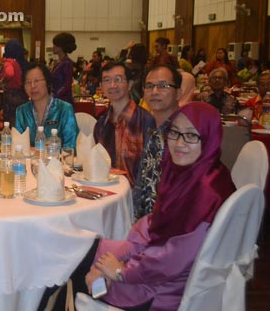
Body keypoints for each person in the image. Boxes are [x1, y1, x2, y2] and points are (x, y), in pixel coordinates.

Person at [38, 102, 236, 311]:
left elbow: (171, 260)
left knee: (67, 262)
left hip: (158, 290)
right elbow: (153, 226)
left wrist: (119, 271)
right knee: (74, 253)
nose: (179, 143)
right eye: (175, 133)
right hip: (149, 263)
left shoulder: (205, 193)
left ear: (209, 137)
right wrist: (112, 260)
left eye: (191, 135)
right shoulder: (200, 175)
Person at [133, 64, 182, 220]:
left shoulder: (183, 136)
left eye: (163, 86)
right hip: (145, 221)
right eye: (149, 86)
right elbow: (143, 184)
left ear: (179, 93)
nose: (154, 92)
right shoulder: (153, 131)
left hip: (169, 225)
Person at [93, 62, 155, 186]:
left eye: (118, 79)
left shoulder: (145, 121)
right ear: (101, 86)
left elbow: (152, 168)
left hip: (135, 199)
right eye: (107, 80)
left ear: (130, 84)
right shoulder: (101, 124)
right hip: (107, 193)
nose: (112, 85)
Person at [15, 63, 78, 148]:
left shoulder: (64, 109)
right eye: (28, 82)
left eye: (36, 81)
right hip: (30, 160)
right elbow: (18, 145)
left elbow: (71, 146)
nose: (32, 86)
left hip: (58, 160)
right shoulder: (21, 111)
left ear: (47, 82)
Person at [0, 39, 28, 125]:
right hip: (23, 94)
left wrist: (3, 80)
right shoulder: (24, 63)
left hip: (11, 94)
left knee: (10, 119)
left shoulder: (8, 62)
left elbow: (9, 73)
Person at [50, 32, 77, 105]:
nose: (53, 47)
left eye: (55, 45)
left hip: (63, 101)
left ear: (60, 47)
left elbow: (67, 84)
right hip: (56, 99)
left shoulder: (67, 63)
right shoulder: (58, 63)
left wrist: (56, 96)